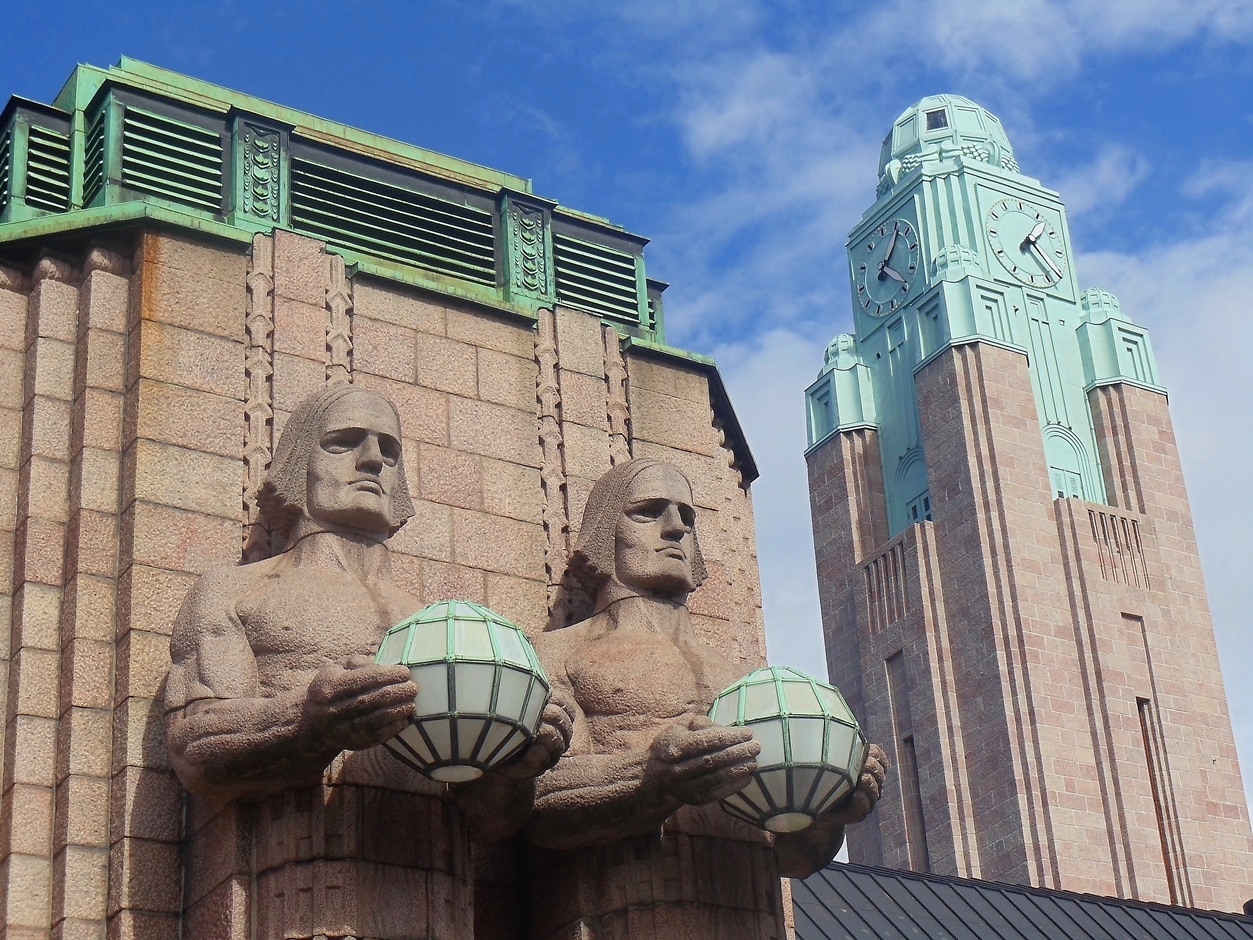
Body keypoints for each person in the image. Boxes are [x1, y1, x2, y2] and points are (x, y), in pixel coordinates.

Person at [165, 385, 571, 940]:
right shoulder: (236, 591)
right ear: (297, 465)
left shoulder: (444, 633)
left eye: (389, 449)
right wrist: (309, 722)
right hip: (287, 899)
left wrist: (513, 767)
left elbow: (486, 821)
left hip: (440, 905)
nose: (374, 459)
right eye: (344, 443)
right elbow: (195, 746)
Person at [527, 458, 887, 939]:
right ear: (604, 532)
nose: (675, 527)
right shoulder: (556, 653)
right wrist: (651, 779)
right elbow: (532, 804)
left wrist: (828, 804)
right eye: (648, 511)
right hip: (617, 913)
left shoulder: (747, 683)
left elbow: (792, 856)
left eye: (687, 517)